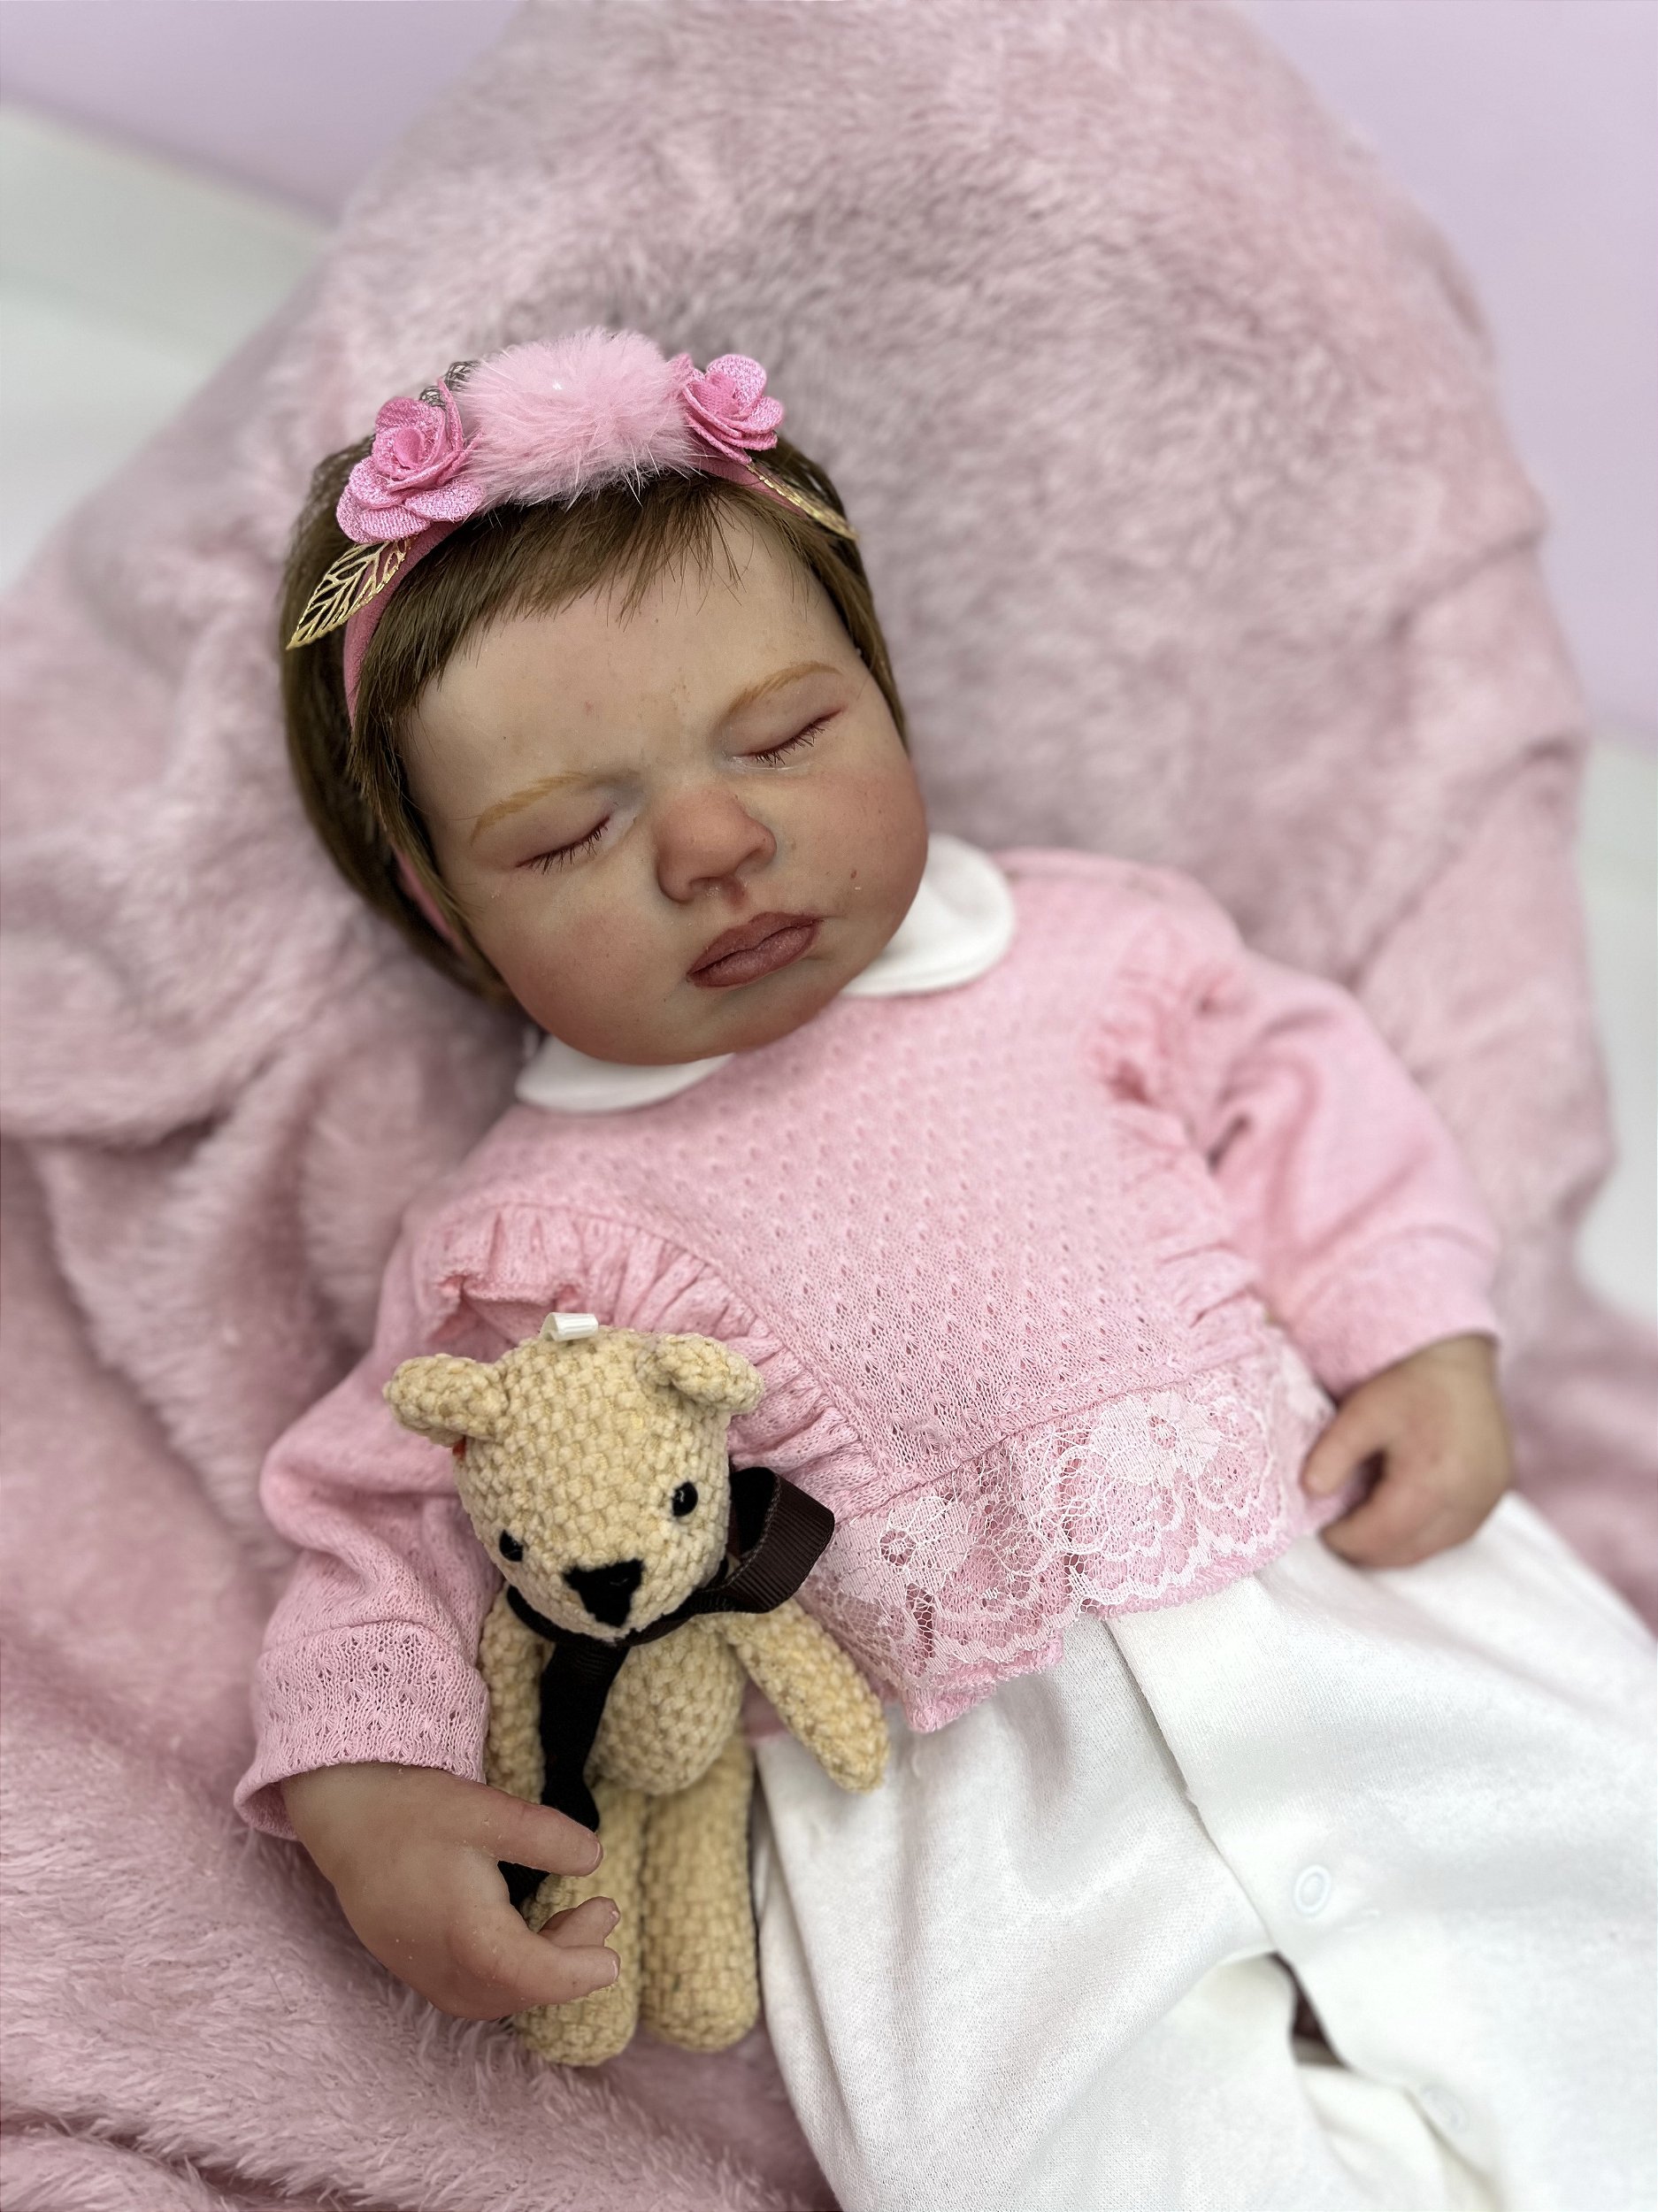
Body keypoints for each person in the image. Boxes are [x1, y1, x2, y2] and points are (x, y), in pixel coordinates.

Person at [238, 329, 1652, 2212]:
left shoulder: (1092, 952)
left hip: (1351, 1595)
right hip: (956, 1806)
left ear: (887, 696)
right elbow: (383, 1508)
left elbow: (1300, 1085)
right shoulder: (521, 1236)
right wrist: (372, 1779)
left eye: (785, 737)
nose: (717, 842)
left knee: (1609, 1949)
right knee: (1074, 2160)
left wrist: (1415, 1330)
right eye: (572, 832)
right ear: (448, 913)